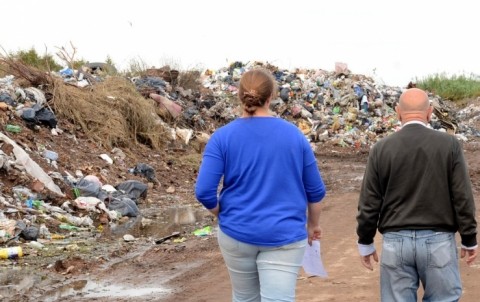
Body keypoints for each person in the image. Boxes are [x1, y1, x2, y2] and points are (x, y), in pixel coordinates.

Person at [195, 68, 326, 302]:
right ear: (271, 96)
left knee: (244, 298)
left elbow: (204, 191)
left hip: (236, 233)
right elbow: (315, 191)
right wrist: (312, 225)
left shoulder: (222, 137)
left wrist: (222, 213)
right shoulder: (294, 135)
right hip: (284, 236)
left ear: (240, 96)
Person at [356, 88, 478, 301]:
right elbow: (462, 196)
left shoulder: (381, 148)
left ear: (398, 112)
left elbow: (369, 202)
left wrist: (365, 241)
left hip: (396, 242)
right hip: (438, 241)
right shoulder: (449, 145)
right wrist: (469, 238)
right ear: (430, 112)